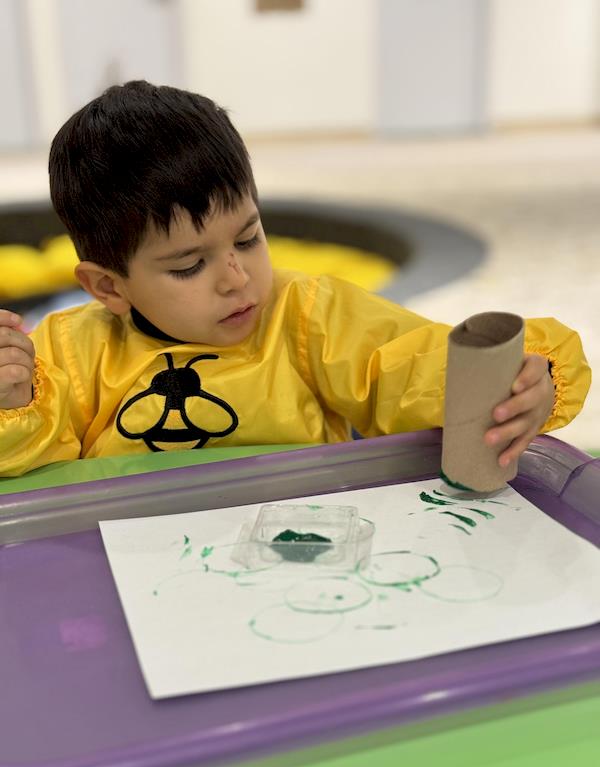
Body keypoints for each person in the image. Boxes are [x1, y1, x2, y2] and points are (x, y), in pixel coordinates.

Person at [0, 81, 590, 477]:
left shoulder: (309, 316)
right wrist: (11, 402)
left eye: (248, 238)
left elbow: (415, 367)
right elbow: (30, 470)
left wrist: (521, 378)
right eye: (189, 266)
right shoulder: (70, 355)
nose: (236, 279)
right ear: (109, 288)